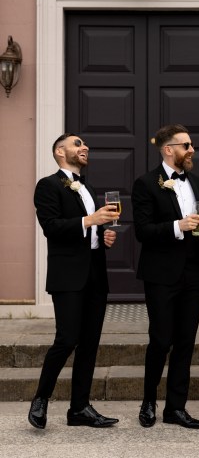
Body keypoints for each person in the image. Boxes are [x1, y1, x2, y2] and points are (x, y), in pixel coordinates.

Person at [28, 133, 120, 430]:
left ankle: (79, 408)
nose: (85, 147)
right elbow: (52, 227)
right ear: (59, 151)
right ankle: (41, 399)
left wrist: (102, 236)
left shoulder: (88, 187)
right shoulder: (48, 185)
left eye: (84, 145)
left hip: (95, 274)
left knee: (90, 343)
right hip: (68, 276)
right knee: (67, 339)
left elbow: (87, 230)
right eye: (77, 144)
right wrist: (90, 222)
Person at [131, 124, 199, 429]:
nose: (192, 150)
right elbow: (143, 232)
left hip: (193, 273)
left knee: (186, 342)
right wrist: (179, 226)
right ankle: (149, 401)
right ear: (168, 150)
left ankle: (176, 408)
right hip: (161, 274)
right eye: (186, 145)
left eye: (191, 145)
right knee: (161, 340)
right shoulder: (146, 183)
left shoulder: (197, 180)